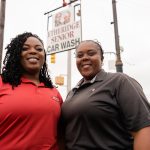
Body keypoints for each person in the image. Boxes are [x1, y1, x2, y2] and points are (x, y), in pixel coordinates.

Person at [60, 40, 150, 150]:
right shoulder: (72, 92)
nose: (84, 58)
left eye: (91, 53)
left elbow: (143, 128)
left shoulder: (119, 81)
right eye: (79, 55)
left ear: (102, 59)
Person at [0, 32, 63, 150]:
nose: (33, 51)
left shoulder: (53, 92)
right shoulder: (2, 83)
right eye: (25, 48)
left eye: (39, 49)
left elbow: (61, 134)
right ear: (16, 54)